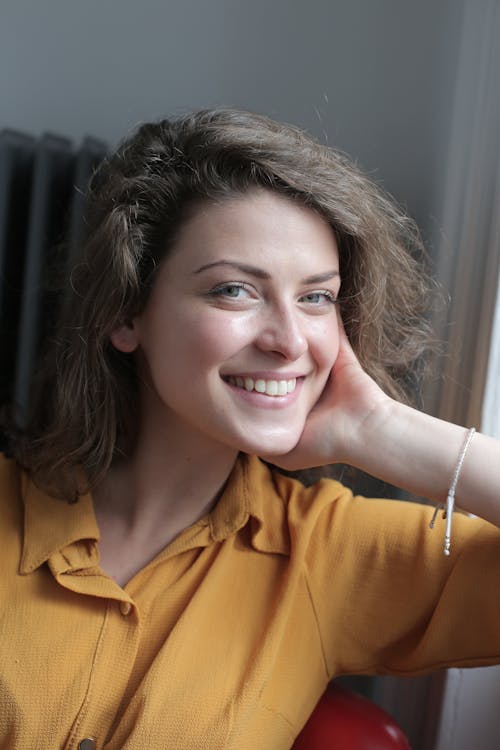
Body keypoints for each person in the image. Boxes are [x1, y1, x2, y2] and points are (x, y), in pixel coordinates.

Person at [1, 108, 499, 750]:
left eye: (316, 297)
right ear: (126, 314)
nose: (290, 341)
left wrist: (384, 429)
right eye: (235, 290)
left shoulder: (323, 554)